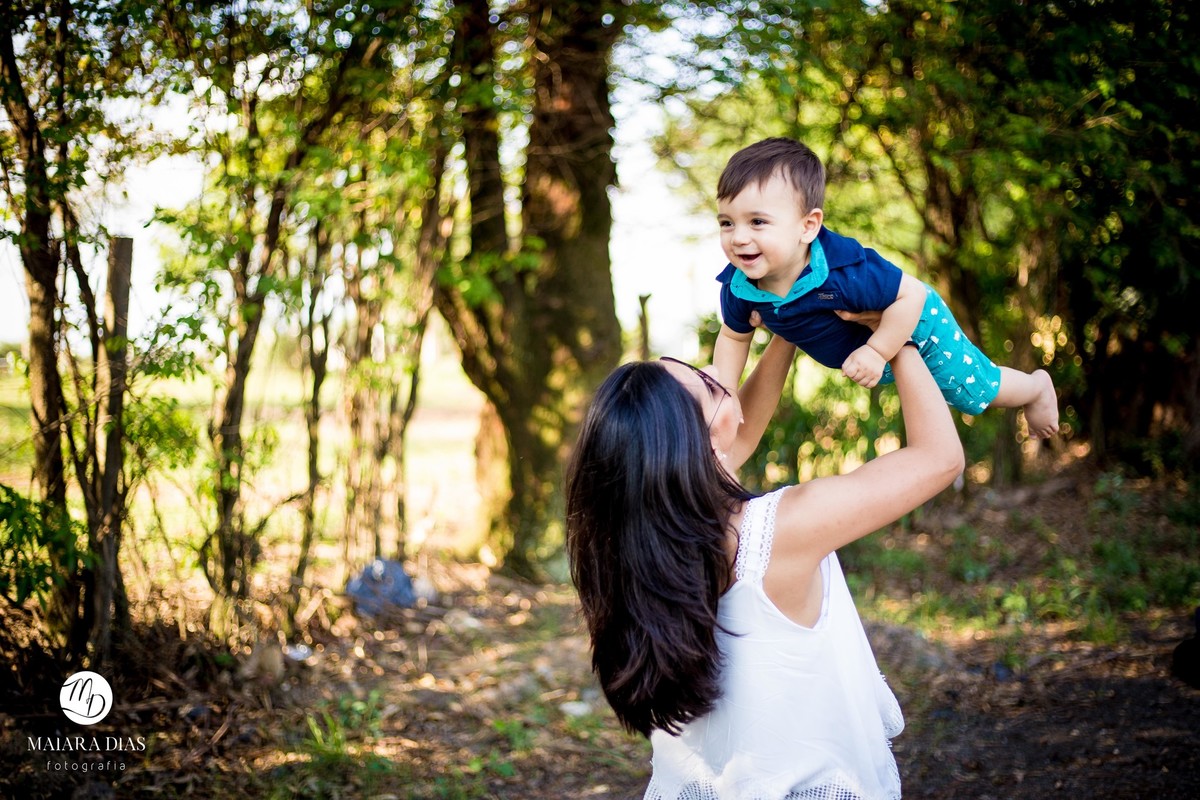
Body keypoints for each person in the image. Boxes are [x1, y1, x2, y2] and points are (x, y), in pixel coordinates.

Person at [566, 328, 964, 799]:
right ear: (703, 445)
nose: (718, 371)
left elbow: (735, 433)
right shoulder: (781, 531)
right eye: (708, 383)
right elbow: (939, 458)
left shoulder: (628, 548)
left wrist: (788, 330)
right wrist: (899, 336)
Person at [712, 137, 1060, 439]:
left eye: (757, 222)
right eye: (727, 223)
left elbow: (913, 295)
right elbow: (733, 337)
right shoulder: (739, 286)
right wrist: (727, 392)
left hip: (916, 324)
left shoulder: (844, 270)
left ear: (808, 226)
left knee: (971, 391)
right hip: (876, 352)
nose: (739, 237)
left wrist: (877, 351)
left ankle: (1035, 388)